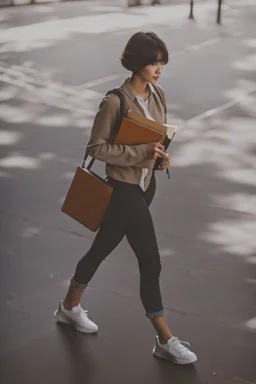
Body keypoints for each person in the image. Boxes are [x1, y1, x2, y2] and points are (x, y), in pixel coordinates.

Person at [54, 32, 198, 365]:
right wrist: (141, 152)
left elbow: (156, 139)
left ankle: (69, 307)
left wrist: (160, 158)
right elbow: (96, 148)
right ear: (136, 61)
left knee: (101, 248)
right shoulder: (115, 101)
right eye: (153, 62)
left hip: (145, 188)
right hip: (123, 191)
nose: (159, 69)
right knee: (151, 262)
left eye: (162, 63)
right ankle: (165, 338)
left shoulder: (158, 94)